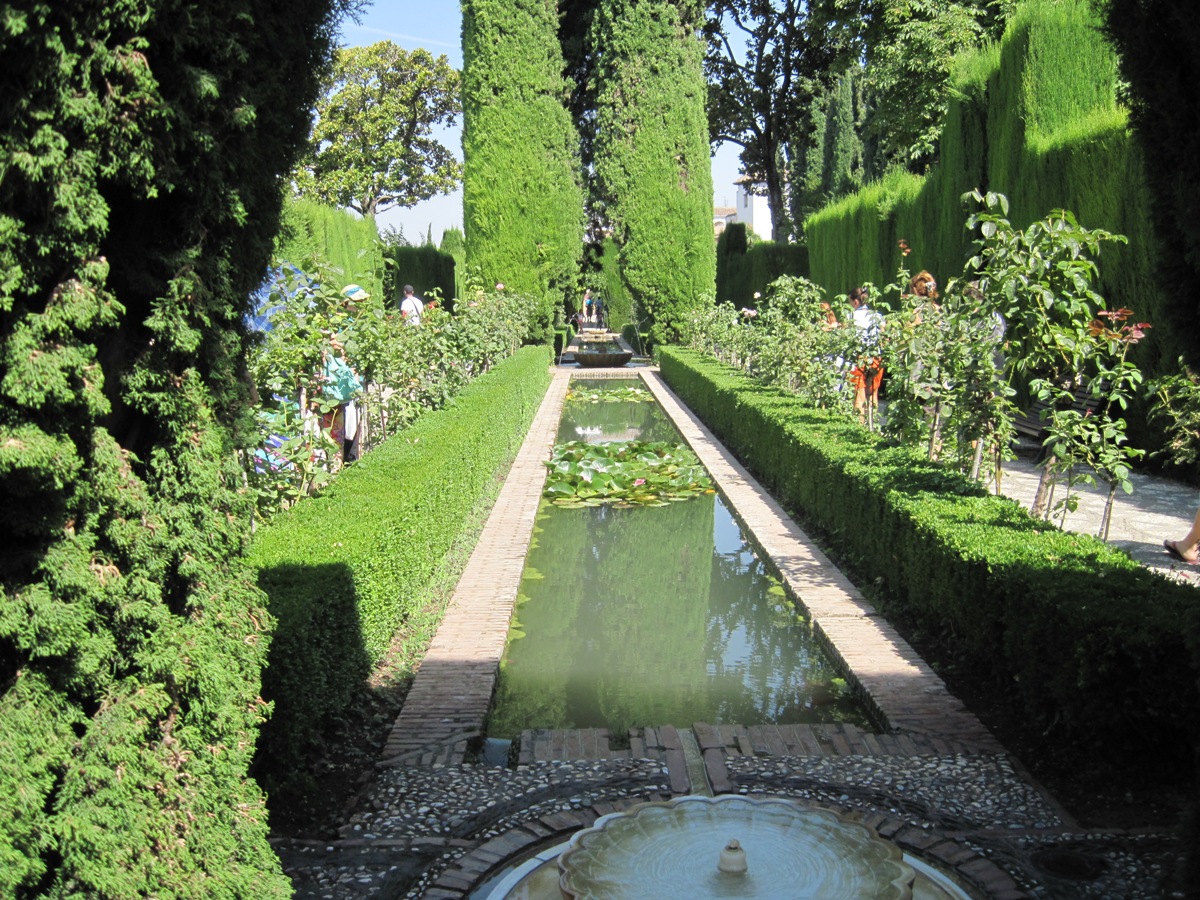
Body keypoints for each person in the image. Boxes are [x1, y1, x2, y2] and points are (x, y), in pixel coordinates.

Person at [848, 287, 884, 420]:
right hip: (876, 357)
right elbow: (884, 335)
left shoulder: (851, 316)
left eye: (850, 302)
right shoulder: (877, 315)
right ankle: (872, 424)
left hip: (860, 358)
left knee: (859, 396)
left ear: (856, 302)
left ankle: (860, 426)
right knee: (873, 393)